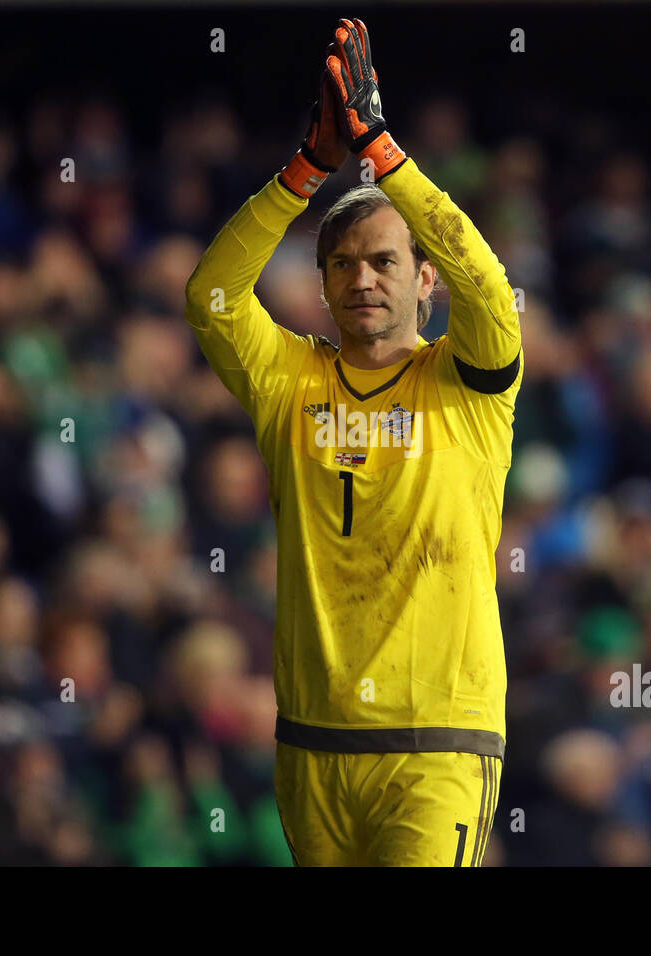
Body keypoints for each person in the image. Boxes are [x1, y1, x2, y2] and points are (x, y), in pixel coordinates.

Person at [183, 18, 523, 865]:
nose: (363, 279)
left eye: (384, 261)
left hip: (439, 740)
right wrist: (304, 172)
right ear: (325, 284)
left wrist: (381, 154)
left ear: (424, 279)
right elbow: (212, 298)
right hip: (313, 742)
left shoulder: (470, 380)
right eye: (343, 266)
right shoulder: (288, 380)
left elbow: (487, 285)